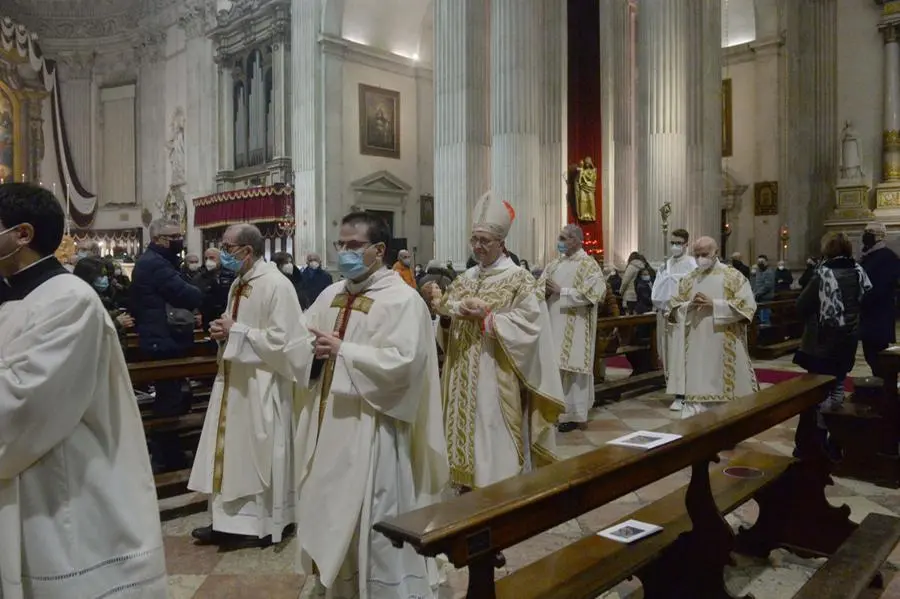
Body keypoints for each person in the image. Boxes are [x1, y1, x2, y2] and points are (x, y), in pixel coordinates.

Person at [0, 183, 166, 597]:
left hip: (61, 496)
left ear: (22, 234)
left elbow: (23, 408)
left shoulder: (68, 301)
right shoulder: (14, 300)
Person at [295, 212, 448, 598]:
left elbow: (404, 363)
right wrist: (310, 350)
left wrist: (344, 350)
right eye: (339, 245)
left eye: (353, 246)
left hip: (374, 427)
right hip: (329, 423)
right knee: (328, 505)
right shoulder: (331, 294)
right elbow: (301, 338)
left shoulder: (402, 300)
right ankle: (338, 584)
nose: (343, 252)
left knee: (371, 512)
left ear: (379, 250)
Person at [189, 224, 312, 547]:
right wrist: (223, 333)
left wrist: (237, 331)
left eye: (227, 248)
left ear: (246, 250)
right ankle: (225, 521)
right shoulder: (238, 285)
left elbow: (286, 342)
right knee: (229, 453)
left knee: (256, 452)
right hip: (233, 381)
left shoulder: (276, 285)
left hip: (262, 384)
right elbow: (235, 327)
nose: (223, 253)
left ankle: (260, 524)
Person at [437, 192, 564, 491]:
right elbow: (447, 316)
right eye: (474, 240)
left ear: (501, 243)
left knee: (490, 427)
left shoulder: (519, 278)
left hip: (495, 371)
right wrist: (442, 316)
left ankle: (497, 488)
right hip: (459, 371)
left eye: (485, 241)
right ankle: (463, 484)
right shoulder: (465, 278)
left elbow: (531, 325)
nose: (478, 247)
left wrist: (488, 319)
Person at [130, 218, 203, 471]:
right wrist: (202, 286)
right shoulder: (156, 264)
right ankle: (166, 457)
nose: (179, 241)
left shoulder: (156, 261)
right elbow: (186, 294)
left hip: (161, 337)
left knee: (172, 396)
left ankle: (169, 451)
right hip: (162, 340)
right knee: (169, 400)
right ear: (160, 239)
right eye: (175, 237)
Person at [793, 233, 869, 459]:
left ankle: (811, 444)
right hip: (847, 341)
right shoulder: (858, 272)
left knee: (814, 396)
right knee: (836, 389)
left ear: (828, 250)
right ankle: (833, 440)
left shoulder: (823, 275)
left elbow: (801, 305)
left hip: (821, 343)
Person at [666, 236, 759, 419]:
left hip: (724, 341)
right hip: (695, 345)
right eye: (697, 254)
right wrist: (689, 306)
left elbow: (747, 306)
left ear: (716, 252)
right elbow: (673, 308)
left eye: (705, 254)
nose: (701, 258)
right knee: (696, 397)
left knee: (725, 398)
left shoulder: (732, 276)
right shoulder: (687, 280)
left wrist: (715, 305)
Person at [540, 224, 606, 433]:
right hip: (552, 321)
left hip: (576, 325)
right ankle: (553, 409)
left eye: (563, 238)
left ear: (576, 241)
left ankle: (574, 414)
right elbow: (538, 287)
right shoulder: (553, 265)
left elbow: (596, 293)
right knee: (554, 366)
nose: (559, 242)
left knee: (572, 369)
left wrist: (563, 292)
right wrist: (541, 291)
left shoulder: (589, 265)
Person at [651, 228, 697, 411]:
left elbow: (694, 289)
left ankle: (683, 393)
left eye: (678, 243)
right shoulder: (666, 264)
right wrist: (662, 306)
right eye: (672, 243)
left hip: (683, 316)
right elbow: (658, 288)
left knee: (681, 354)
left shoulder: (691, 264)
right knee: (669, 353)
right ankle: (675, 389)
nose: (675, 246)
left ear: (686, 244)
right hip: (666, 314)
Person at [859, 221, 900, 378]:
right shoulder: (869, 256)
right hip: (869, 316)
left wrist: (860, 298)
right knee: (871, 356)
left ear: (879, 236)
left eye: (870, 232)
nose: (866, 235)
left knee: (878, 359)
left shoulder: (887, 257)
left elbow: (879, 288)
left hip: (878, 316)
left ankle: (884, 394)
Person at [192, 247, 236, 330]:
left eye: (212, 258)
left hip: (226, 319)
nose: (208, 261)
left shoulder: (230, 275)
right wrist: (196, 313)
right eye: (206, 258)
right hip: (206, 319)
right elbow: (194, 297)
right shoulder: (199, 278)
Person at [752, 254, 775, 325]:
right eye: (759, 262)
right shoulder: (758, 271)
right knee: (759, 318)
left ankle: (767, 332)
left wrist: (757, 293)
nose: (760, 263)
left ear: (766, 262)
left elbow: (767, 286)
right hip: (758, 298)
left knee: (765, 318)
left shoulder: (769, 272)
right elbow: (756, 283)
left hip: (765, 299)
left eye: (762, 261)